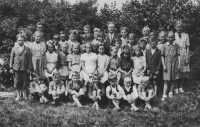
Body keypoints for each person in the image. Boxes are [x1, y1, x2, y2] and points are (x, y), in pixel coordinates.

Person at [10, 35, 32, 101]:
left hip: (24, 68)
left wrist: (29, 68)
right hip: (16, 68)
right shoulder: (14, 48)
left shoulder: (27, 49)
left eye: (22, 40)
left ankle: (25, 96)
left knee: (25, 82)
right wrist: (11, 68)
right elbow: (11, 58)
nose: (20, 41)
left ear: (24, 41)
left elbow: (29, 59)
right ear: (17, 41)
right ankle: (18, 96)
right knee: (17, 82)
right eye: (19, 40)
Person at [161, 31, 180, 101]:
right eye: (169, 37)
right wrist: (163, 65)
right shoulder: (165, 46)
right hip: (167, 64)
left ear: (174, 38)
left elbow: (178, 56)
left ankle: (171, 92)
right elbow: (162, 56)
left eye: (172, 37)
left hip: (174, 64)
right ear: (167, 37)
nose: (170, 39)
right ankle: (164, 95)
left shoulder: (176, 45)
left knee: (173, 79)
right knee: (166, 80)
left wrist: (179, 64)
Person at [174, 20, 190, 94]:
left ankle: (181, 86)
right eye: (177, 27)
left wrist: (187, 57)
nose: (179, 28)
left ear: (182, 27)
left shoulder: (185, 35)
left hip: (183, 54)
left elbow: (187, 47)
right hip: (176, 54)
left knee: (183, 72)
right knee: (177, 71)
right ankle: (176, 87)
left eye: (180, 27)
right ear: (175, 27)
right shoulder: (174, 35)